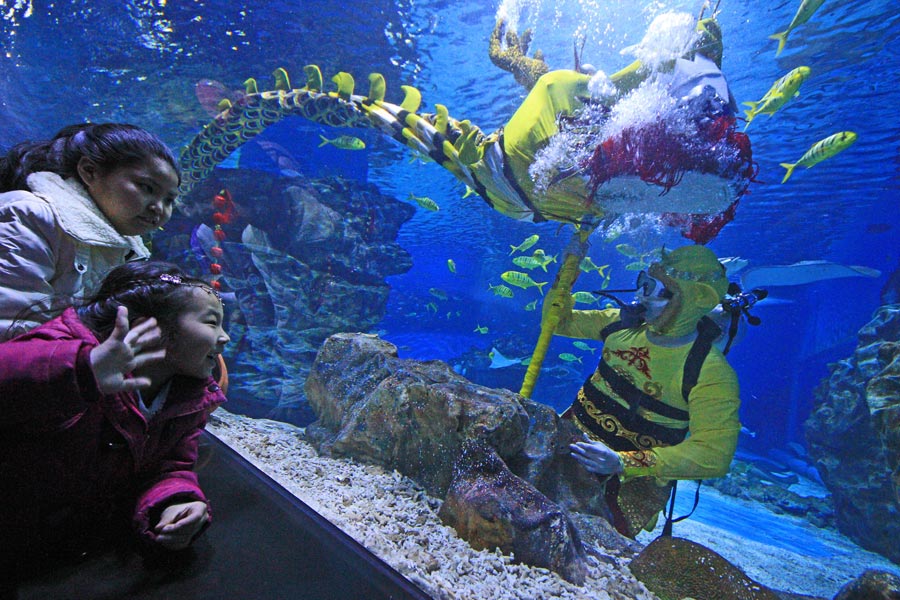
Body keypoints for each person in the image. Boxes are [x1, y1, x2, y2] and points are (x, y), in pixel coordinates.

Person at [0, 260, 229, 579]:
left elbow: (169, 467)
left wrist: (174, 502)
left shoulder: (186, 397)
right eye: (212, 323)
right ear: (151, 328)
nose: (224, 338)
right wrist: (83, 369)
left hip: (57, 558)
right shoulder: (69, 348)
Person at [544, 245, 741, 537]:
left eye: (654, 289)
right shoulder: (620, 325)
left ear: (692, 300)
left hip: (626, 487)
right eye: (643, 282)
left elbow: (714, 454)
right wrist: (566, 273)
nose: (641, 296)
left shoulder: (710, 372)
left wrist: (623, 463)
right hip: (564, 444)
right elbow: (556, 321)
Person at [0, 122, 181, 341]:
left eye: (169, 200)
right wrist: (90, 358)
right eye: (147, 188)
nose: (159, 208)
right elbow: (11, 330)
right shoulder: (31, 216)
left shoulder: (126, 252)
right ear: (89, 171)